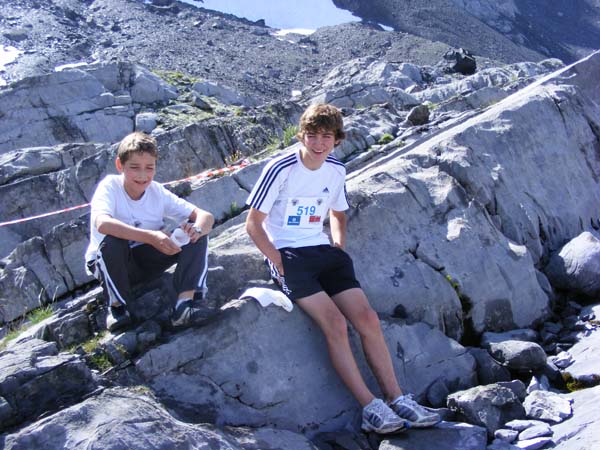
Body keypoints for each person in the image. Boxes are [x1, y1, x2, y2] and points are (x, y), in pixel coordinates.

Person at [245, 104, 440, 434]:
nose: (318, 143)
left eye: (326, 136)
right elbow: (253, 224)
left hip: (323, 251)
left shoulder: (336, 168)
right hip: (289, 254)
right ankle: (370, 407)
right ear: (301, 136)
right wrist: (277, 261)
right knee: (335, 323)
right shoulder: (280, 168)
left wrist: (338, 245)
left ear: (337, 139)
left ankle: (397, 398)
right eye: (312, 135)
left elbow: (338, 212)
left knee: (367, 319)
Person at [85, 132, 215, 332]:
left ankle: (185, 305)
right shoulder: (110, 187)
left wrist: (196, 229)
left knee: (194, 234)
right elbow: (102, 224)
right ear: (120, 165)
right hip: (114, 262)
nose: (143, 175)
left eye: (149, 167)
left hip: (147, 258)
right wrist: (151, 237)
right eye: (134, 167)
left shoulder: (156, 191)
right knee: (112, 242)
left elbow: (205, 216)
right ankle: (118, 308)